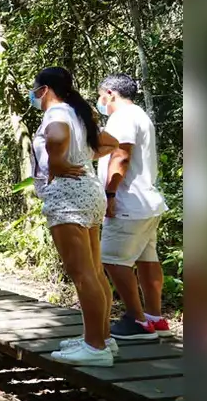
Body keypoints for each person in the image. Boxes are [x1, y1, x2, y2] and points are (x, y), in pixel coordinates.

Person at [28, 67, 118, 367]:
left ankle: (95, 348)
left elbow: (55, 136)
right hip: (90, 192)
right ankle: (102, 338)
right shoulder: (77, 112)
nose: (33, 94)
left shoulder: (55, 114)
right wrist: (79, 159)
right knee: (94, 270)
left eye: (35, 89)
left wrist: (58, 164)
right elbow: (109, 142)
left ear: (45, 90)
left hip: (69, 197)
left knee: (82, 273)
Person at [95, 74, 171, 340]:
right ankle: (154, 316)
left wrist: (110, 194)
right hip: (146, 202)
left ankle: (137, 320)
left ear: (111, 93)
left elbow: (121, 154)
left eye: (101, 95)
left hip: (128, 202)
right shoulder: (140, 115)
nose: (100, 101)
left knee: (111, 259)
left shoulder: (122, 118)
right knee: (147, 259)